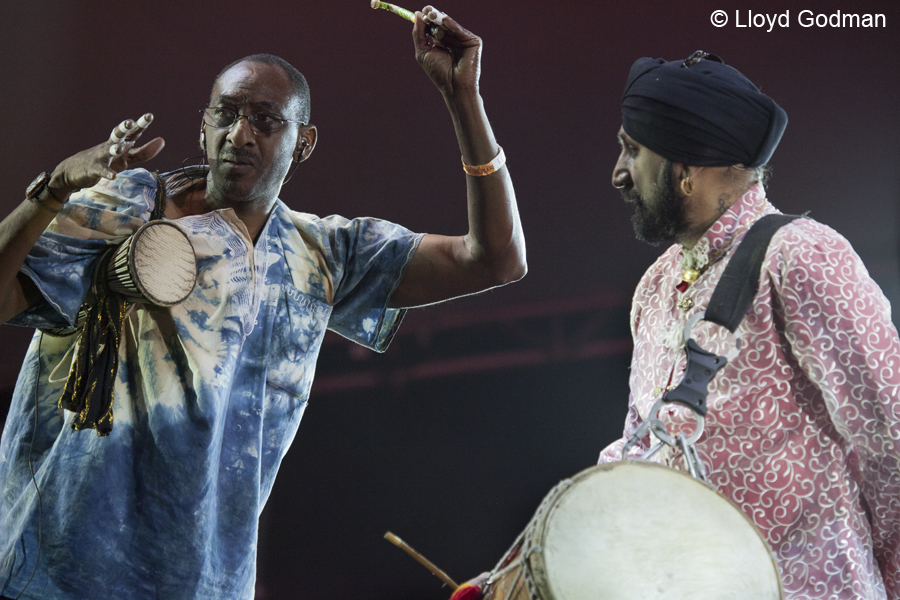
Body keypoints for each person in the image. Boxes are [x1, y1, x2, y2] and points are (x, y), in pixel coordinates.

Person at [0, 9, 525, 600]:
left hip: (209, 584)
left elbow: (496, 259)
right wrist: (52, 191)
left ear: (304, 143)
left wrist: (463, 97)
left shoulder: (324, 253)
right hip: (64, 570)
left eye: (266, 121)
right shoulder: (129, 207)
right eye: (226, 114)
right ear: (203, 127)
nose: (240, 134)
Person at [595, 52, 900, 598]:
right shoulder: (655, 286)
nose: (618, 173)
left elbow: (891, 434)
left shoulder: (801, 257)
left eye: (633, 150)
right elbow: (642, 449)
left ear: (686, 169)